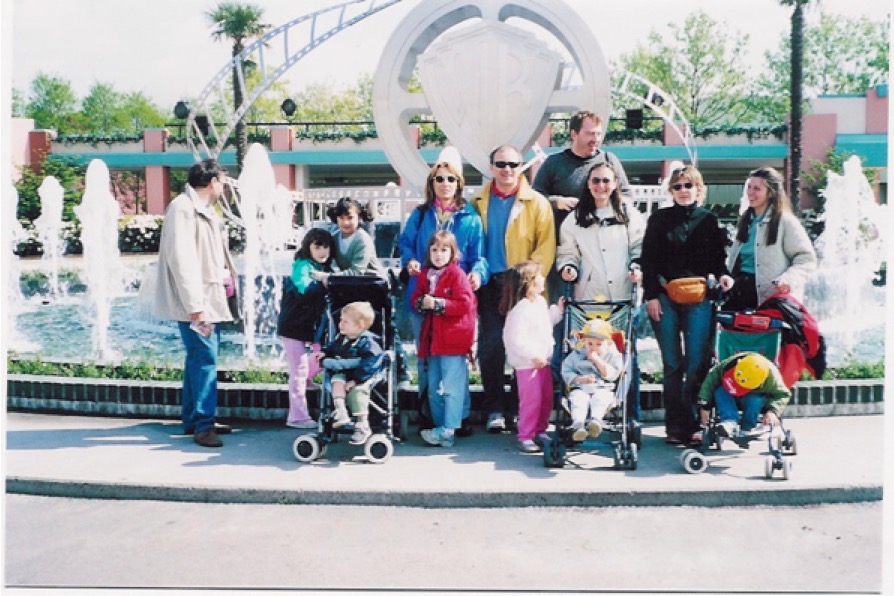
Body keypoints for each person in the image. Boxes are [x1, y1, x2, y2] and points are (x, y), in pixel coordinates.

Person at [640, 164, 734, 446]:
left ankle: (696, 423)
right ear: (671, 191)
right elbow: (648, 260)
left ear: (698, 189)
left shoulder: (708, 220)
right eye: (678, 186)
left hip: (699, 298)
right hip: (666, 297)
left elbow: (718, 260)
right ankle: (674, 426)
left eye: (688, 186)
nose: (683, 191)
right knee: (672, 365)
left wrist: (724, 276)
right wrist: (651, 296)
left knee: (697, 363)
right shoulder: (659, 219)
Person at [398, 160, 487, 435]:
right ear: (432, 183)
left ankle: (458, 418)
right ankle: (430, 413)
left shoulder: (470, 217)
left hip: (454, 298)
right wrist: (410, 261)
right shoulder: (421, 215)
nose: (445, 184)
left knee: (454, 362)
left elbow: (480, 256)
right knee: (426, 358)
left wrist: (478, 274)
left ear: (459, 183)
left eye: (451, 179)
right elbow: (406, 245)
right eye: (439, 179)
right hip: (423, 295)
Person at [154, 158, 237, 448]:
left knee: (198, 358)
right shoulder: (183, 209)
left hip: (205, 298)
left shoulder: (200, 209)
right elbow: (182, 259)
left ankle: (193, 419)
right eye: (223, 181)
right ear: (212, 182)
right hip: (197, 301)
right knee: (205, 359)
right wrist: (195, 305)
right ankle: (203, 426)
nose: (224, 186)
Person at [472, 144, 556, 434]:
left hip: (523, 285)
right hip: (491, 282)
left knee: (528, 347)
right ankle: (495, 407)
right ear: (491, 166)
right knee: (492, 346)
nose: (507, 169)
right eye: (501, 164)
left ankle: (523, 408)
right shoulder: (478, 201)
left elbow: (546, 245)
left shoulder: (537, 202)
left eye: (513, 164)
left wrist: (530, 281)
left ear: (521, 166)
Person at [556, 161, 646, 420]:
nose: (601, 186)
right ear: (588, 184)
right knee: (584, 351)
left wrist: (637, 266)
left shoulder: (628, 212)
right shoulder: (575, 217)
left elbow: (639, 245)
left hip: (621, 295)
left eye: (606, 180)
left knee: (625, 355)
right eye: (595, 181)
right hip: (588, 298)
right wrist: (568, 267)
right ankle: (580, 415)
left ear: (615, 183)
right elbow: (567, 251)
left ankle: (629, 416)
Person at [533, 110, 631, 301]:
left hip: (602, 253)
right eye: (590, 133)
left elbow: (627, 196)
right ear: (574, 134)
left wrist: (604, 205)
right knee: (563, 309)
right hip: (565, 251)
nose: (595, 139)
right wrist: (556, 201)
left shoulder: (609, 160)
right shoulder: (554, 163)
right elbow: (535, 197)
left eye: (598, 134)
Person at [410, 231, 478, 448]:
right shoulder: (425, 275)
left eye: (444, 250)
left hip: (452, 339)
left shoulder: (457, 274)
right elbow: (415, 300)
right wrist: (421, 302)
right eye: (434, 250)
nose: (439, 255)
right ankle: (440, 426)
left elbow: (465, 304)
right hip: (433, 339)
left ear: (452, 253)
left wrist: (438, 304)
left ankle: (449, 428)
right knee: (434, 387)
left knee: (452, 386)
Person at [724, 167, 817, 312]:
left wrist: (788, 279)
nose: (750, 192)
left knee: (766, 334)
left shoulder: (786, 222)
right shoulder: (745, 220)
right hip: (739, 292)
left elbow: (806, 258)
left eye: (757, 189)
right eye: (749, 187)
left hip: (771, 296)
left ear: (771, 193)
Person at [501, 261, 565, 453]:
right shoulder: (520, 309)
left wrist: (558, 310)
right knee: (531, 400)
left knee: (546, 399)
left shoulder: (539, 302)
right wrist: (532, 355)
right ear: (529, 282)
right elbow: (513, 339)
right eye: (539, 276)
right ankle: (526, 435)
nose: (544, 279)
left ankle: (540, 429)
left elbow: (546, 322)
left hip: (542, 362)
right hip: (528, 364)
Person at [276, 228, 334, 429]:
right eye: (317, 247)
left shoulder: (321, 267)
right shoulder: (302, 266)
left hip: (309, 327)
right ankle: (297, 415)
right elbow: (304, 289)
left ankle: (306, 378)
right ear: (308, 247)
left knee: (324, 356)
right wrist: (323, 282)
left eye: (326, 247)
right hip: (293, 326)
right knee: (298, 370)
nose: (322, 251)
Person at [316, 301, 385, 445]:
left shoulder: (368, 342)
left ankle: (362, 424)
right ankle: (341, 412)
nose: (340, 323)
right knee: (336, 380)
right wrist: (324, 352)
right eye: (341, 319)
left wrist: (356, 380)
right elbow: (331, 347)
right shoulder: (342, 338)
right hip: (344, 372)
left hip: (362, 375)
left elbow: (371, 364)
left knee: (358, 391)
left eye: (345, 321)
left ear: (359, 326)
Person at [697, 352, 791, 438]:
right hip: (729, 395)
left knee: (756, 399)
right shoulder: (729, 365)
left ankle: (747, 427)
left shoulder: (772, 379)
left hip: (752, 397)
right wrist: (704, 404)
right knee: (720, 391)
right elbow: (711, 379)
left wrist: (772, 411)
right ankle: (729, 422)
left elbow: (783, 394)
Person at [560, 318, 623, 441]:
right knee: (578, 400)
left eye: (599, 344)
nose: (593, 348)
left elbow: (613, 374)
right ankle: (578, 425)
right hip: (581, 387)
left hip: (603, 387)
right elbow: (566, 370)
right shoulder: (577, 354)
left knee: (600, 399)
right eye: (590, 344)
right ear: (584, 342)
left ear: (608, 344)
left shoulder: (613, 355)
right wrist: (579, 378)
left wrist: (598, 361)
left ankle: (596, 421)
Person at [317, 197, 388, 283]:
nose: (345, 222)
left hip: (373, 283)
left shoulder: (363, 240)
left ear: (359, 217)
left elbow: (356, 273)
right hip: (350, 284)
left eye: (350, 218)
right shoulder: (334, 237)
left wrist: (328, 277)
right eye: (341, 218)